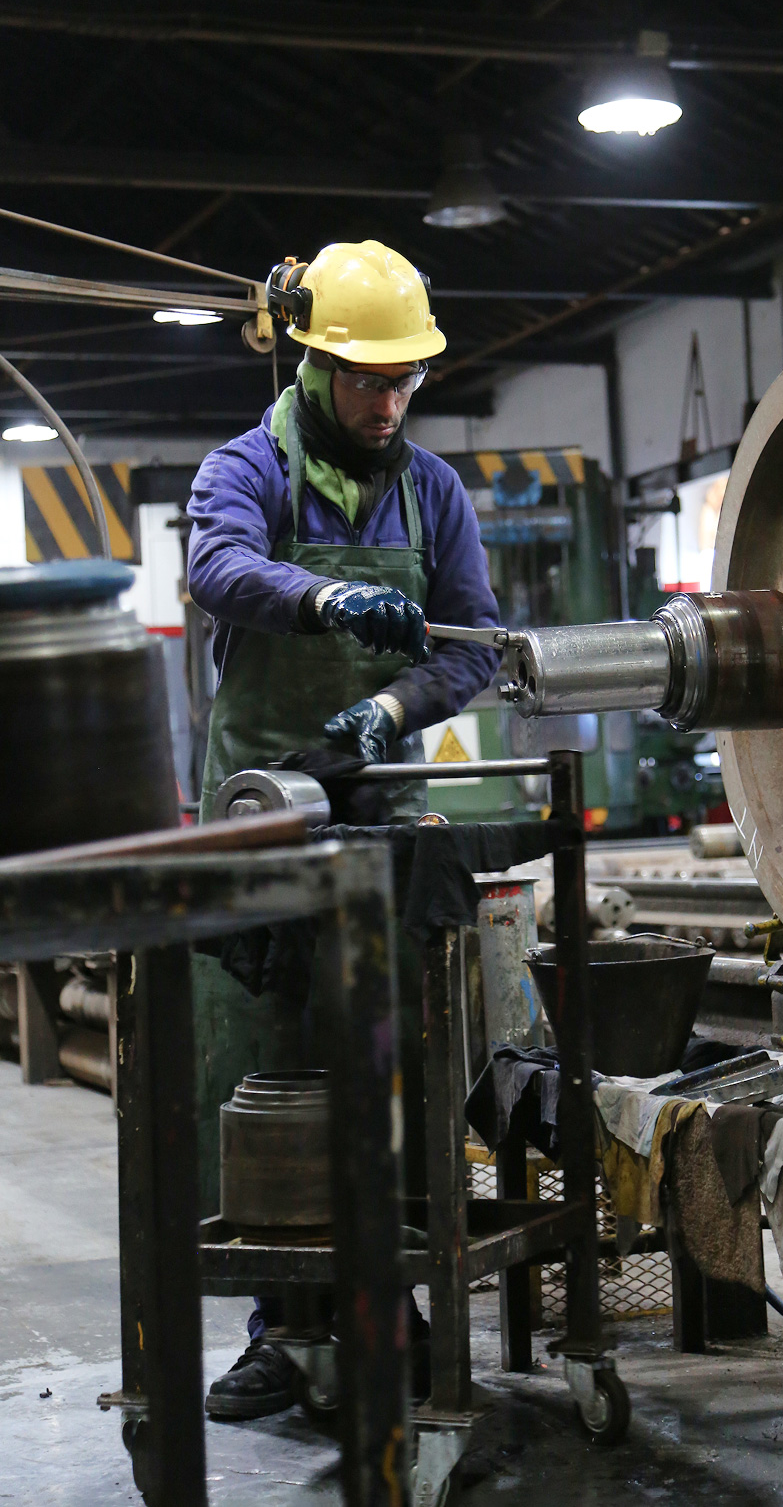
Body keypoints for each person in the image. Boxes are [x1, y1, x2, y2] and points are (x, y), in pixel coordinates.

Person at [185, 240, 501, 1418]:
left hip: (380, 810)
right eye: (368, 380)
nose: (388, 403)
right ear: (313, 364)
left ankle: (389, 1300)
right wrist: (322, 595)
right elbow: (219, 567)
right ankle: (282, 1323)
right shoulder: (246, 468)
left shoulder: (434, 492)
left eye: (405, 380)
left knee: (394, 1055)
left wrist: (391, 709)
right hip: (263, 813)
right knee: (265, 1059)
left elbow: (469, 641)